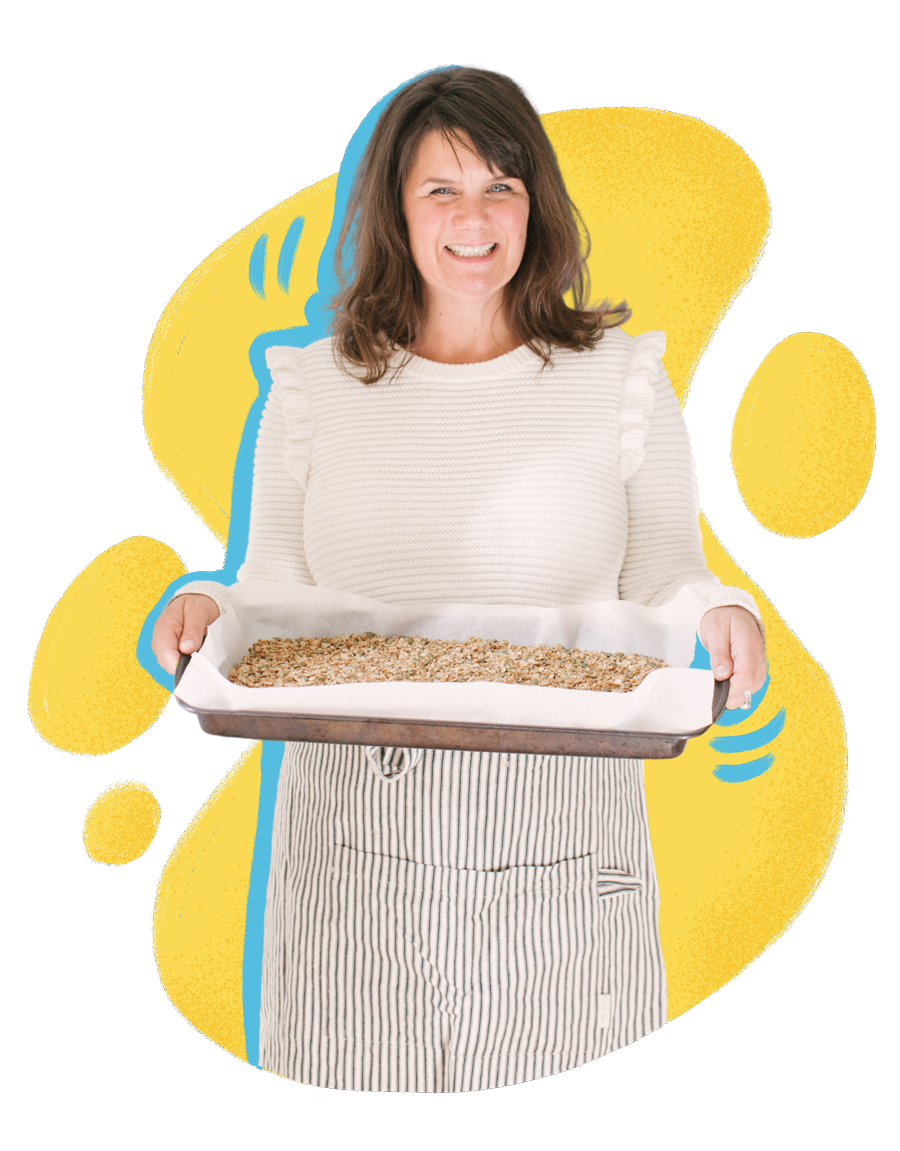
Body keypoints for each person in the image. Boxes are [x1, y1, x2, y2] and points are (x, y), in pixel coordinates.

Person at [151, 64, 767, 1093]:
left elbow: (670, 570)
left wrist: (726, 612)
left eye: (501, 187)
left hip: (564, 847)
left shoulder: (620, 379)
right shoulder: (316, 389)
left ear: (538, 205)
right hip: (350, 857)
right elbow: (272, 582)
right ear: (396, 208)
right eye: (441, 189)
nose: (473, 218)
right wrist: (209, 600)